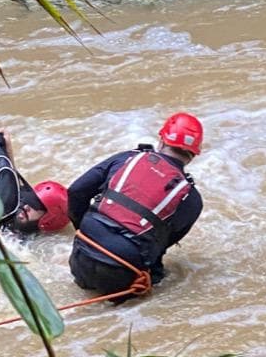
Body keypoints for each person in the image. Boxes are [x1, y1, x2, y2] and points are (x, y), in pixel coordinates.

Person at [66, 113, 204, 301]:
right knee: (168, 279)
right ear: (193, 155)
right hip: (124, 276)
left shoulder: (126, 159)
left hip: (80, 258)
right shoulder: (191, 198)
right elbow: (162, 244)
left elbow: (75, 191)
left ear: (162, 140)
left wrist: (83, 231)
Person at [0, 130, 70, 235]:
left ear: (48, 220)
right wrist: (5, 146)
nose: (26, 206)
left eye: (34, 205)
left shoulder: (28, 242)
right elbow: (11, 180)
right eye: (30, 199)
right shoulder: (19, 205)